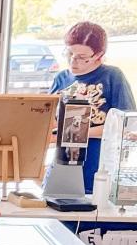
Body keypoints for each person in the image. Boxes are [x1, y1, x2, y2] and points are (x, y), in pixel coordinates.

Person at [49, 21, 136, 195]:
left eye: (82, 57)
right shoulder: (61, 78)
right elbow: (49, 120)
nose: (74, 60)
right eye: (70, 53)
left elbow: (125, 124)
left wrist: (78, 134)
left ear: (98, 55)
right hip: (63, 162)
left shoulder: (112, 76)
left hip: (99, 164)